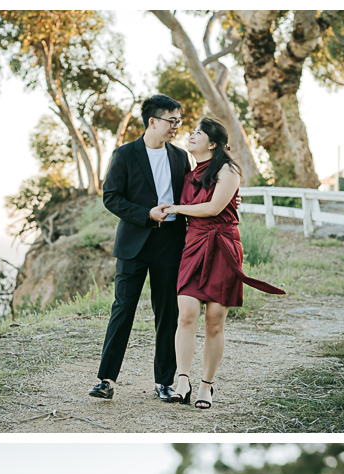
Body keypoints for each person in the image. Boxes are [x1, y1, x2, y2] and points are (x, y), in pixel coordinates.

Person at [158, 117, 286, 410]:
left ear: (212, 143)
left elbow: (215, 208)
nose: (191, 136)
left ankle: (206, 385)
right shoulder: (189, 174)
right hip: (193, 246)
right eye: (191, 132)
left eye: (198, 133)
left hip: (222, 246)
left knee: (214, 321)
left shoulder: (228, 170)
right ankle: (182, 380)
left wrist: (177, 208)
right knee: (186, 314)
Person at [89, 94, 191, 403]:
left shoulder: (180, 156)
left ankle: (165, 383)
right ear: (153, 121)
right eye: (172, 121)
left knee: (167, 313)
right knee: (123, 310)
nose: (176, 127)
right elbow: (111, 197)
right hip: (134, 242)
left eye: (179, 121)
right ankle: (106, 380)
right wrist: (146, 213)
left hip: (170, 241)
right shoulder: (124, 154)